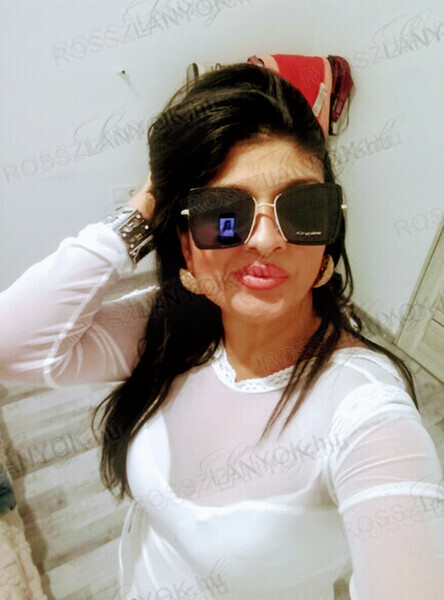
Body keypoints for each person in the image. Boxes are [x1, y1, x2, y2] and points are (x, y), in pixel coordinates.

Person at [0, 61, 443, 600]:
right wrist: (146, 206)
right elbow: (11, 345)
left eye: (302, 208)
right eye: (224, 214)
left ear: (330, 232)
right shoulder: (174, 326)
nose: (267, 240)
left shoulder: (366, 416)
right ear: (185, 243)